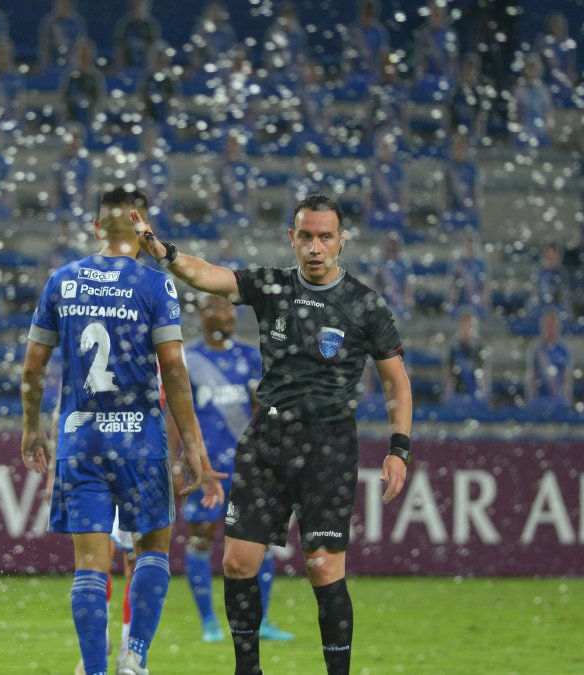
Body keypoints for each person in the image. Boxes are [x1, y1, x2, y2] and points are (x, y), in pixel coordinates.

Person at [136, 193, 413, 675]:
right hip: (268, 439)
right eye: (305, 236)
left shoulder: (365, 305)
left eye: (325, 236)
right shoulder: (272, 288)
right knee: (238, 562)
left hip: (328, 445)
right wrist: (168, 254)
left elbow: (397, 381)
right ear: (292, 238)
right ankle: (249, 671)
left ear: (341, 240)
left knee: (324, 568)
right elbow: (209, 276)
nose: (315, 246)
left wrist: (399, 448)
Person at [20, 187, 223, 675]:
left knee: (90, 564)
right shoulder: (156, 285)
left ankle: (93, 669)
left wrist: (31, 428)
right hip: (139, 440)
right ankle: (134, 655)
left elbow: (32, 370)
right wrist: (195, 448)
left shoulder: (62, 281)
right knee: (152, 548)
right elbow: (173, 370)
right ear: (140, 226)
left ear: (95, 228)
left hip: (80, 438)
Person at [176, 294, 294, 643]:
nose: (228, 315)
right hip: (206, 466)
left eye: (231, 309)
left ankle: (262, 621)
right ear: (203, 314)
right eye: (221, 308)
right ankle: (209, 621)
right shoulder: (188, 359)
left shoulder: (249, 356)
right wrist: (179, 458)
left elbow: (266, 409)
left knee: (260, 543)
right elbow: (177, 415)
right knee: (202, 538)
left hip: (248, 466)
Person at [525, 308, 571, 408]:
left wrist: (566, 399)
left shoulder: (563, 351)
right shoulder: (537, 350)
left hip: (557, 398)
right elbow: (533, 377)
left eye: (553, 325)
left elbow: (566, 378)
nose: (550, 328)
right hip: (540, 399)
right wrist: (532, 399)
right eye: (548, 325)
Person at [443, 310, 490, 407]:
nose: (466, 328)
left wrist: (485, 396)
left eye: (468, 325)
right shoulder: (454, 349)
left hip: (475, 394)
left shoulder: (479, 348)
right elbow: (449, 375)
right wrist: (447, 397)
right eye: (463, 325)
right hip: (458, 395)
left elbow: (485, 373)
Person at [366, 133, 406, 232]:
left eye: (389, 147)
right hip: (377, 210)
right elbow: (369, 194)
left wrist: (401, 211)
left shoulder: (398, 170)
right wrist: (369, 211)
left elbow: (402, 193)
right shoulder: (373, 168)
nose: (386, 150)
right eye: (384, 147)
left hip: (393, 210)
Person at [38, 0, 88, 76]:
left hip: (71, 62)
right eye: (60, 3)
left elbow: (81, 45)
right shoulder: (50, 22)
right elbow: (45, 45)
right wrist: (43, 64)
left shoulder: (77, 23)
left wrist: (79, 65)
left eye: (66, 4)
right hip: (53, 62)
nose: (63, 6)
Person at [112, 0, 160, 75]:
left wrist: (152, 68)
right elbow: (119, 49)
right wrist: (119, 68)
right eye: (135, 6)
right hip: (127, 67)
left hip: (146, 67)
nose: (138, 9)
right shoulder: (125, 25)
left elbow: (154, 49)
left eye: (140, 6)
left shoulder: (151, 26)